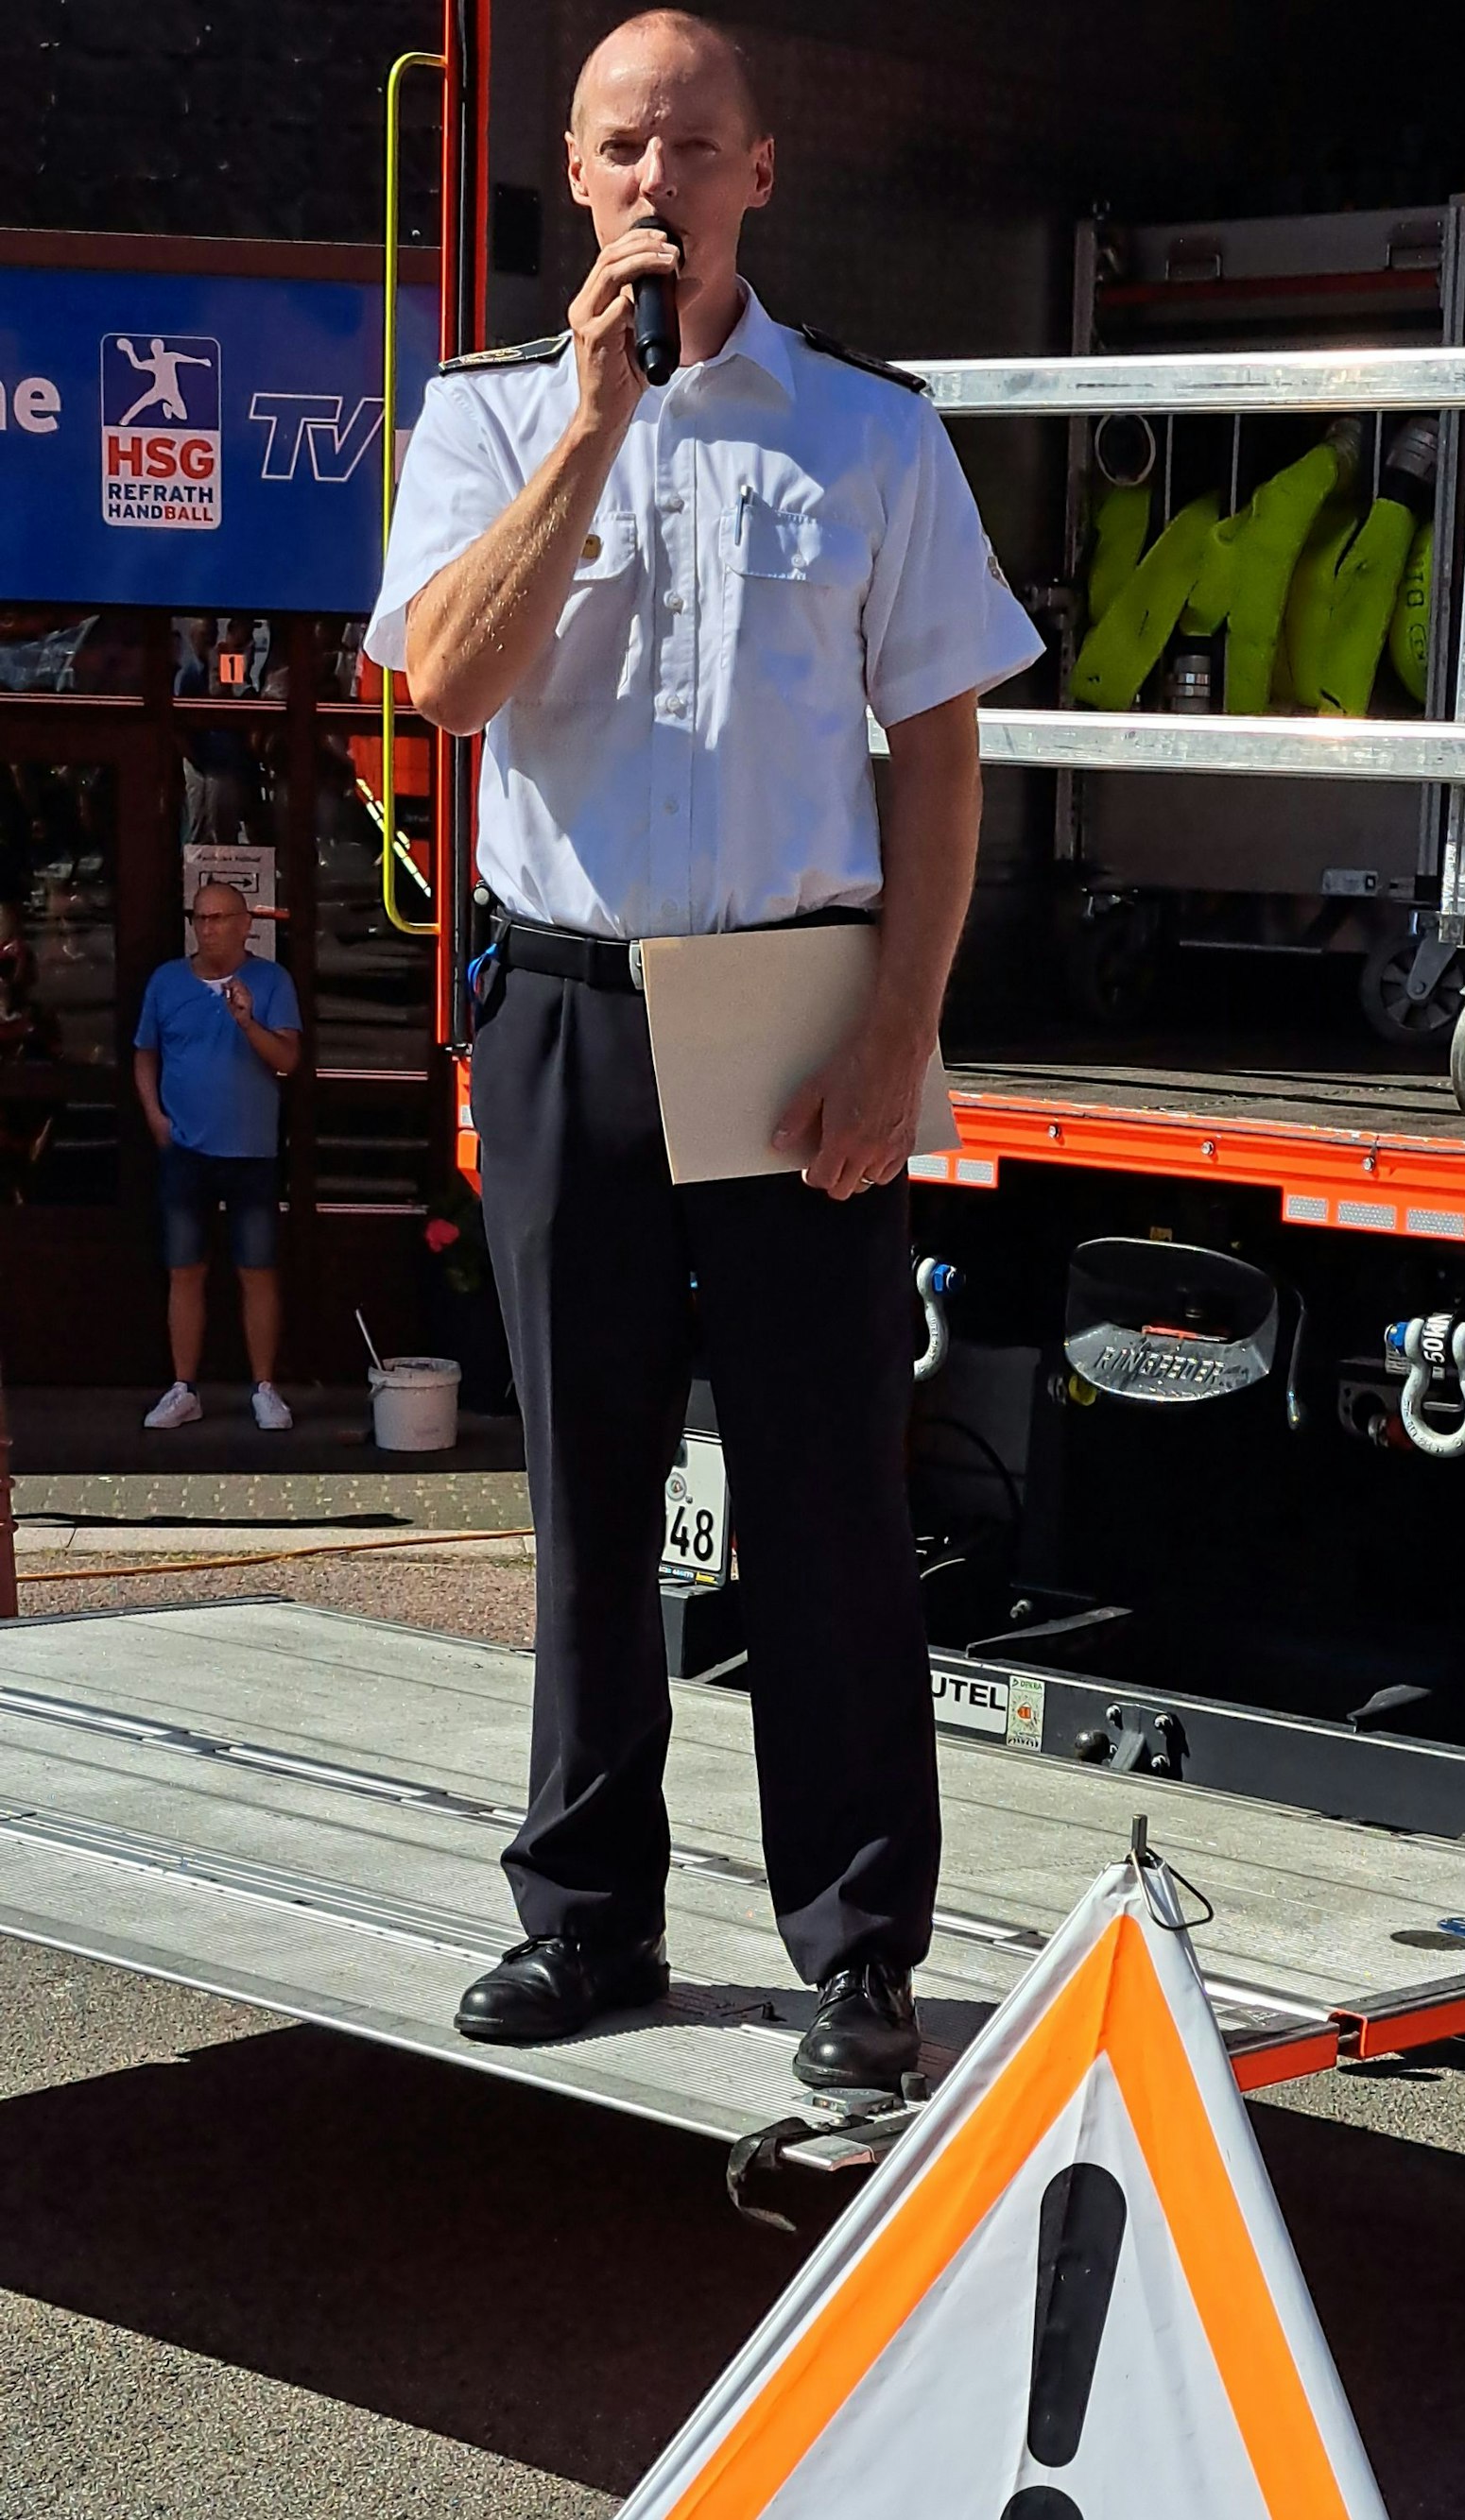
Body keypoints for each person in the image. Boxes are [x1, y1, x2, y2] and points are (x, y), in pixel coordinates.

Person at [365, 8, 1041, 2090]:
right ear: (574, 178)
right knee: (582, 1483)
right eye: (619, 146)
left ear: (762, 173)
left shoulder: (866, 437)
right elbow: (454, 695)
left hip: (784, 1006)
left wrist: (896, 1025)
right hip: (564, 1000)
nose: (656, 179)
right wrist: (590, 431)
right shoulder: (486, 422)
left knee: (829, 1493)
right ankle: (587, 1919)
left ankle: (855, 1950)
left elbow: (939, 751)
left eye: (694, 144)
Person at [133, 882, 302, 1431]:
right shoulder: (166, 981)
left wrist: (247, 1022)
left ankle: (265, 1388)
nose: (207, 928)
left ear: (244, 923)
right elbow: (145, 1055)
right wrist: (156, 1119)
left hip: (251, 1150)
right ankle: (183, 1388)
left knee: (257, 1269)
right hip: (185, 1150)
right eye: (200, 918)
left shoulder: (271, 981)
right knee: (185, 1270)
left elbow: (288, 1060)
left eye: (219, 918)